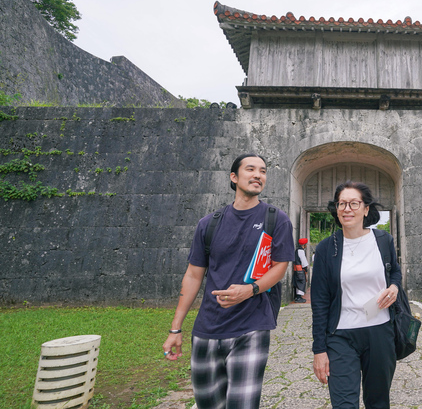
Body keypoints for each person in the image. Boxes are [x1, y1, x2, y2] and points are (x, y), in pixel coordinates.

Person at [162, 153, 293, 409]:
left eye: (263, 171)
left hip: (251, 326)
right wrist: (175, 328)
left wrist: (250, 290)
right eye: (251, 169)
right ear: (234, 177)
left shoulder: (276, 219)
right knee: (208, 404)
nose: (258, 175)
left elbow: (280, 267)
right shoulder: (208, 224)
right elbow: (193, 275)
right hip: (207, 329)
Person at [311, 181, 401, 409]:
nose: (347, 209)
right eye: (342, 204)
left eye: (354, 203)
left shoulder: (383, 241)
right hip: (340, 335)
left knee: (378, 402)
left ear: (366, 209)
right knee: (343, 404)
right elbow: (319, 302)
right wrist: (319, 349)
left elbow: (395, 272)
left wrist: (394, 287)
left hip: (380, 331)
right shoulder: (325, 249)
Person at [294, 237, 309, 303]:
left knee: (298, 282)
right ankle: (299, 297)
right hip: (300, 269)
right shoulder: (301, 251)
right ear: (304, 245)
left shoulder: (297, 250)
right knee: (301, 282)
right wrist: (306, 268)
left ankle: (298, 297)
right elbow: (303, 261)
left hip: (296, 269)